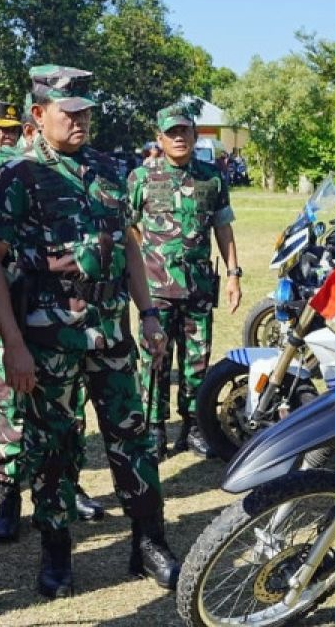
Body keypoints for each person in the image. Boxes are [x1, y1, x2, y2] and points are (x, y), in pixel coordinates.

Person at [0, 64, 181, 598]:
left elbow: (130, 244)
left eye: (86, 112)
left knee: (132, 437)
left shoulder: (109, 170)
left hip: (111, 333)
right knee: (54, 448)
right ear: (39, 115)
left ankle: (148, 542)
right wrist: (13, 343)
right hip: (49, 342)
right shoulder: (19, 176)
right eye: (69, 113)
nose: (80, 121)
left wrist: (150, 313)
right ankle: (57, 552)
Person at [0, 99, 104, 543]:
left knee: (67, 396)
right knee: (9, 397)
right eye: (0, 130)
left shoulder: (42, 165)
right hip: (6, 300)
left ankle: (67, 483)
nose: (7, 137)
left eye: (13, 129)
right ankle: (7, 492)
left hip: (51, 305)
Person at [128, 102, 242, 460]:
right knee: (155, 360)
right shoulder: (141, 178)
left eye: (185, 131)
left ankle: (194, 426)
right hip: (156, 290)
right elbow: (129, 227)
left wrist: (233, 274)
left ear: (195, 135)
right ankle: (155, 428)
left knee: (196, 362)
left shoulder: (212, 178)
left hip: (197, 288)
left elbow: (223, 227)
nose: (179, 138)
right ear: (159, 138)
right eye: (171, 132)